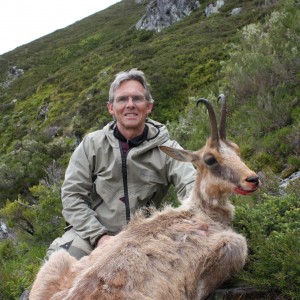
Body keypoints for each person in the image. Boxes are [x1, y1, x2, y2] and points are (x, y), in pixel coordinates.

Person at [45, 68, 196, 260]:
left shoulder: (168, 149)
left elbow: (192, 186)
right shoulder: (92, 144)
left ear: (149, 106)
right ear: (111, 108)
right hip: (92, 234)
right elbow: (72, 196)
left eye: (137, 99)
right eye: (123, 99)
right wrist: (99, 237)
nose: (130, 105)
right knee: (60, 264)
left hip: (146, 236)